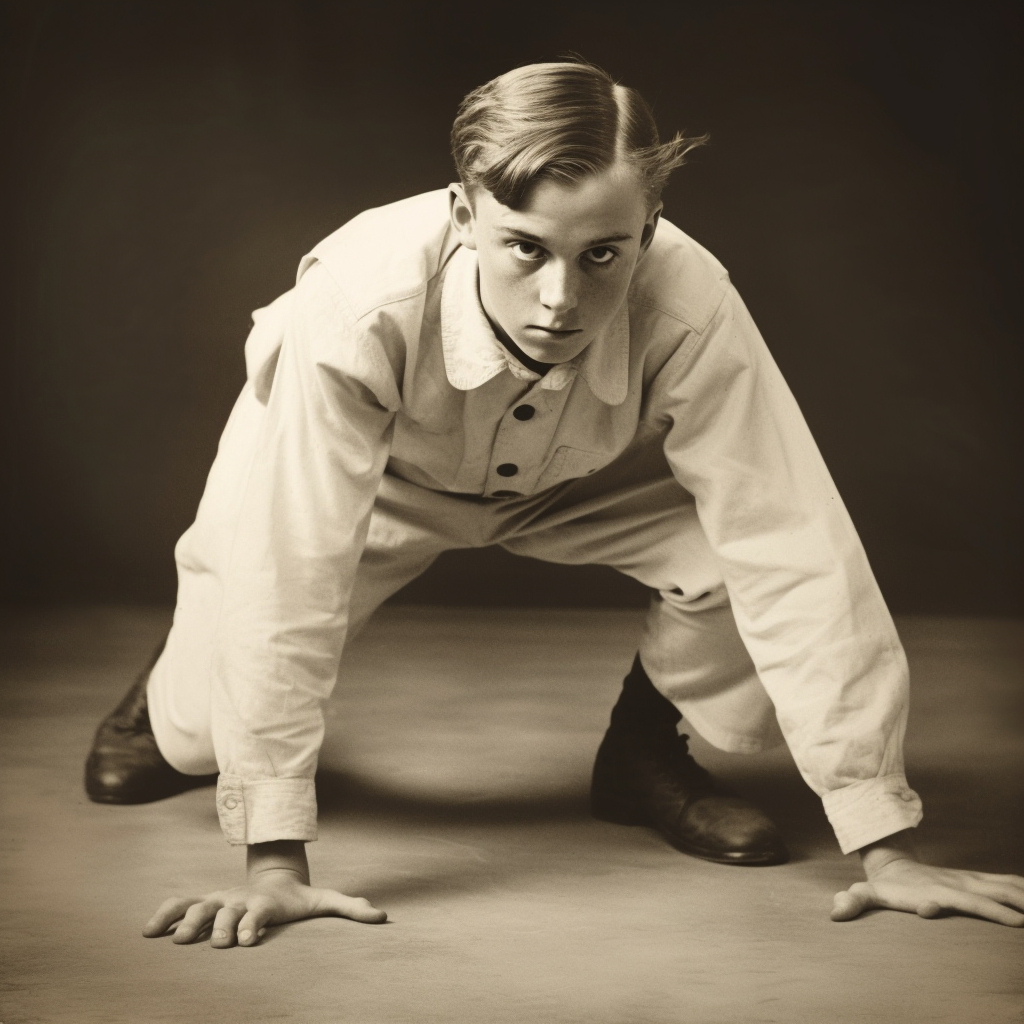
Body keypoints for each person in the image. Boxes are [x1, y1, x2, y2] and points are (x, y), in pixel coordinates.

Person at [85, 60, 1024, 948]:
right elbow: (289, 566)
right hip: (377, 487)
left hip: (575, 480)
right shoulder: (357, 304)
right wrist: (274, 859)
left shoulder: (694, 304)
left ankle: (645, 755)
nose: (561, 300)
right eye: (525, 249)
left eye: (603, 255)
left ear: (649, 231)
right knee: (205, 732)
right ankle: (169, 691)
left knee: (738, 560)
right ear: (463, 214)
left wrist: (884, 843)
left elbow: (792, 535)